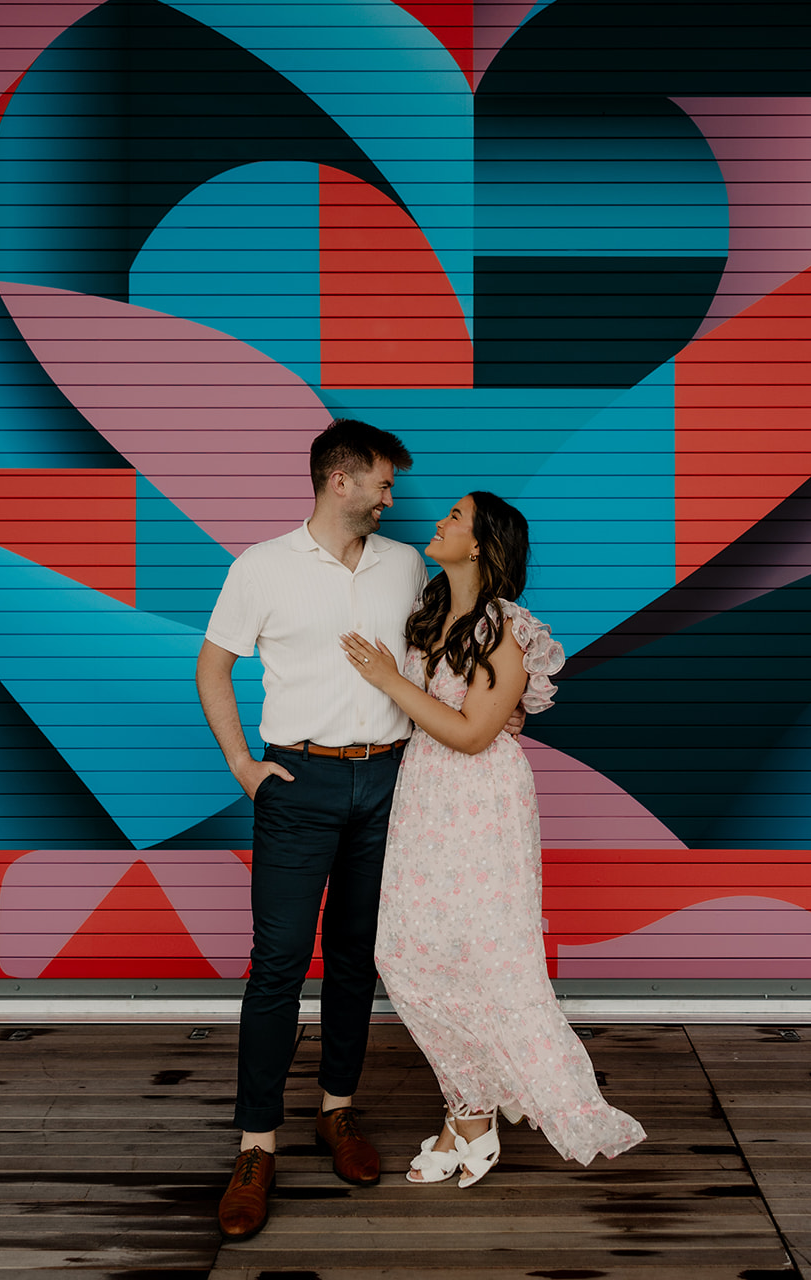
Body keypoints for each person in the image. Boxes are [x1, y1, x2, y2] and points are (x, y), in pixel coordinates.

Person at [340, 490, 646, 1185]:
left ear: (478, 545)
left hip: (478, 797)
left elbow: (475, 735)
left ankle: (471, 1118)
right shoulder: (429, 611)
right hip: (424, 791)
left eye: (453, 517)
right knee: (409, 952)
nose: (438, 523)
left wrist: (389, 681)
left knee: (486, 957)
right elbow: (451, 718)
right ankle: (468, 1108)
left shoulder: (503, 626)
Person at [196, 418, 427, 1239]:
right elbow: (214, 664)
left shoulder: (407, 564)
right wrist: (241, 766)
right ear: (340, 479)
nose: (390, 498)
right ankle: (256, 1145)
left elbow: (431, 664)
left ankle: (337, 1111)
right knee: (278, 964)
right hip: (300, 780)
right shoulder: (261, 566)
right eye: (381, 483)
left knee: (356, 958)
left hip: (391, 780)